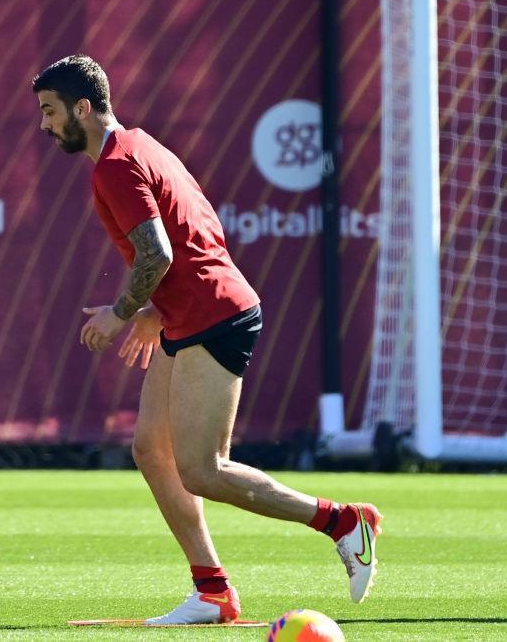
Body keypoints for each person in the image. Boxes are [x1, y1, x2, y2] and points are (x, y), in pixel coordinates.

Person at [32, 54, 382, 625]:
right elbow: (196, 237)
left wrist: (122, 313)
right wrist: (153, 309)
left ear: (83, 108)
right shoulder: (140, 145)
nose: (45, 125)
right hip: (187, 313)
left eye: (50, 112)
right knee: (151, 449)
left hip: (214, 316)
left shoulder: (116, 167)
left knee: (204, 469)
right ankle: (213, 591)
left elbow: (159, 253)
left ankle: (342, 521)